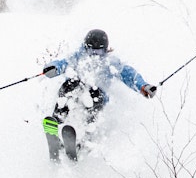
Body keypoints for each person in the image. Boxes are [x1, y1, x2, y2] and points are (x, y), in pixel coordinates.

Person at [40, 28, 156, 161]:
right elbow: (62, 64)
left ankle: (83, 140)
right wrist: (53, 68)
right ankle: (57, 119)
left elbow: (129, 75)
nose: (94, 55)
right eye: (91, 51)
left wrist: (143, 86)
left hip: (96, 97)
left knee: (95, 95)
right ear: (85, 48)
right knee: (69, 85)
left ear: (105, 50)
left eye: (99, 51)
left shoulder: (110, 62)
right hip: (77, 90)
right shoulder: (77, 56)